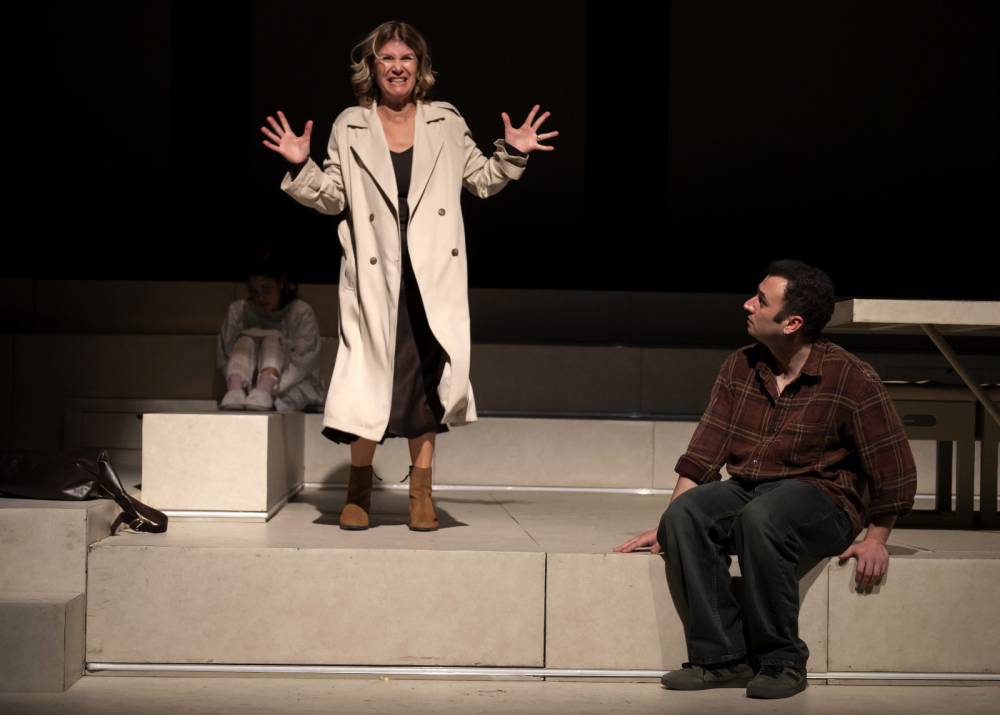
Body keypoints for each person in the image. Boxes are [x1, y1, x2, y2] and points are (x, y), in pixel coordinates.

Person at [260, 20, 557, 531]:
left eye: (406, 58)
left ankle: (422, 490)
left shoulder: (445, 121)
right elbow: (333, 198)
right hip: (374, 276)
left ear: (420, 68)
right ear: (372, 67)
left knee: (425, 379)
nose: (397, 67)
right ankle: (358, 489)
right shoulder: (351, 124)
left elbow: (482, 181)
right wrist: (302, 166)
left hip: (429, 274)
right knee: (368, 378)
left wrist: (512, 153)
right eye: (387, 58)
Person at [615, 259, 916, 699]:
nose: (748, 305)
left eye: (761, 300)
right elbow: (703, 455)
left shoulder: (850, 377)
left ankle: (782, 661)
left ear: (792, 323)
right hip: (751, 489)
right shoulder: (740, 367)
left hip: (823, 498)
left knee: (762, 518)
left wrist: (876, 538)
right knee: (686, 517)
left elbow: (895, 468)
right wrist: (670, 524)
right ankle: (722, 659)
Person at [217, 247, 325, 413]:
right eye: (254, 292)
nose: (260, 298)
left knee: (286, 397)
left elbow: (301, 366)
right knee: (245, 342)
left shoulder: (301, 313)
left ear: (281, 282)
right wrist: (244, 387)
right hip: (246, 388)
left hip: (290, 386)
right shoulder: (238, 311)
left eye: (266, 289)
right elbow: (227, 357)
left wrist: (267, 387)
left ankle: (263, 396)